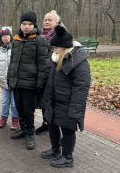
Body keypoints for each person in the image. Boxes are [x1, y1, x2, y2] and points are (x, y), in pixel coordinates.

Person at [41, 25, 91, 168]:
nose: (53, 50)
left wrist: (76, 110)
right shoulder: (55, 57)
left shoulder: (79, 61)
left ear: (64, 47)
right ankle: (55, 149)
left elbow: (81, 88)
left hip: (68, 103)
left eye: (56, 47)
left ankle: (68, 157)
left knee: (68, 130)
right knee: (52, 125)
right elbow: (50, 80)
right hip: (54, 101)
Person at [7, 11, 48, 150]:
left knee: (28, 110)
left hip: (31, 83)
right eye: (24, 24)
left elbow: (43, 64)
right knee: (19, 108)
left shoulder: (40, 40)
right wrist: (9, 78)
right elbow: (12, 61)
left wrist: (39, 84)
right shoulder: (16, 39)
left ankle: (30, 133)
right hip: (17, 81)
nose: (26, 27)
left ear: (34, 24)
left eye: (30, 24)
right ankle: (23, 129)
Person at [35, 10, 61, 135]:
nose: (46, 22)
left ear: (56, 22)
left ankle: (54, 126)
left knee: (53, 102)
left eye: (50, 20)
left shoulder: (59, 35)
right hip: (41, 73)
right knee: (44, 101)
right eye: (45, 20)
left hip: (54, 74)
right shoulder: (39, 35)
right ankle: (45, 124)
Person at [0, 28, 19, 130]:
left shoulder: (15, 48)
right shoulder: (0, 50)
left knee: (14, 102)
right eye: (3, 36)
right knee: (5, 101)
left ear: (10, 36)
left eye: (7, 35)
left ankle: (15, 120)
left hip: (14, 80)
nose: (5, 37)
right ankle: (3, 118)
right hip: (3, 80)